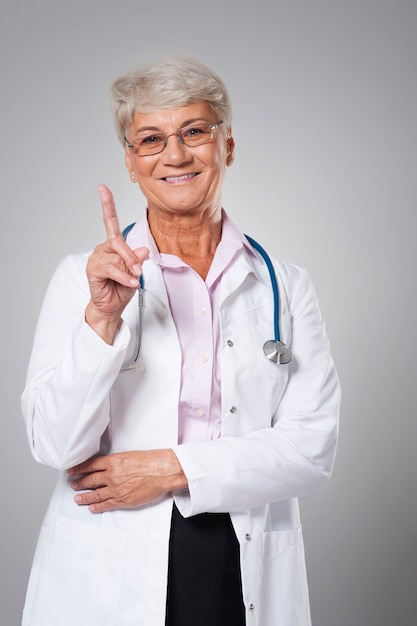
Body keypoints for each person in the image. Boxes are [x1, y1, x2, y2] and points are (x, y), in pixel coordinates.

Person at [21, 56, 340, 626]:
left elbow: (311, 449)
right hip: (111, 558)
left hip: (241, 551)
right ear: (131, 160)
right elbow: (54, 445)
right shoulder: (83, 279)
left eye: (195, 131)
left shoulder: (284, 286)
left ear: (228, 146)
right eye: (151, 139)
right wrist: (101, 321)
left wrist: (171, 469)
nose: (175, 154)